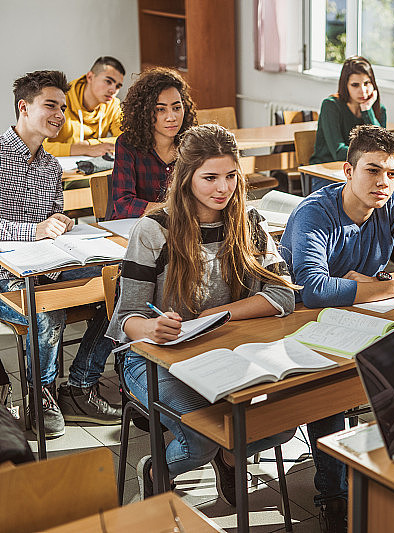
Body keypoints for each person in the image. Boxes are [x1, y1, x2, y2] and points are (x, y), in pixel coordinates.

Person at [106, 124, 297, 503]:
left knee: (282, 424)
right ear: (186, 177)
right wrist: (152, 328)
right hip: (154, 358)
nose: (223, 188)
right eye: (210, 177)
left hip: (223, 350)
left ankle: (229, 456)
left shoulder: (249, 222)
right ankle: (157, 468)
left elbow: (282, 295)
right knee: (201, 438)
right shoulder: (153, 230)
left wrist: (215, 315)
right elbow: (128, 318)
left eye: (231, 176)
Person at [281, 124, 394, 532]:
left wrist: (386, 281)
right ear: (348, 171)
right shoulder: (315, 213)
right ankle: (333, 495)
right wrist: (391, 287)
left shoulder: (391, 204)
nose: (383, 182)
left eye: (392, 173)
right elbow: (314, 289)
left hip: (365, 315)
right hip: (306, 326)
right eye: (373, 170)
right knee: (332, 389)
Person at [0, 71, 120, 439]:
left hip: (46, 266)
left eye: (63, 107)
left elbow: (52, 216)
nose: (59, 114)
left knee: (120, 285)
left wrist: (61, 223)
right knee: (48, 309)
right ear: (24, 107)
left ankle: (81, 386)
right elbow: (33, 229)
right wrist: (33, 231)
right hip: (5, 275)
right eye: (50, 105)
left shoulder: (52, 166)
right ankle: (41, 396)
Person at [107, 67, 196, 220]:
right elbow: (123, 205)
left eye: (176, 108)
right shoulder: (127, 144)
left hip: (179, 227)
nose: (171, 117)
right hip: (132, 227)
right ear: (145, 111)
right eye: (160, 109)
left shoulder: (192, 144)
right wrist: (171, 209)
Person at [309, 56, 387, 192]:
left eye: (367, 83)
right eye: (355, 85)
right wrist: (371, 155)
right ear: (345, 85)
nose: (363, 90)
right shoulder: (331, 106)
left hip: (362, 173)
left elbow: (382, 145)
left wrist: (367, 110)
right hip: (326, 174)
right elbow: (338, 152)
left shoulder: (377, 109)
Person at [42, 56, 125, 157]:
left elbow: (127, 139)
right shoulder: (60, 99)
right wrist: (85, 149)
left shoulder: (113, 104)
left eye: (118, 86)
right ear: (90, 77)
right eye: (108, 81)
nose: (113, 90)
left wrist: (90, 144)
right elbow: (37, 146)